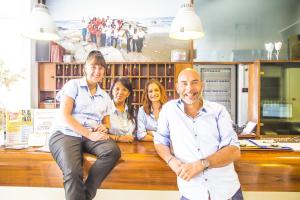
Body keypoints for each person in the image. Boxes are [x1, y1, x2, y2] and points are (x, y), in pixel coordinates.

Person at [154, 68, 243, 200]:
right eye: (184, 83)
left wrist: (201, 164)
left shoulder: (219, 111)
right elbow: (160, 141)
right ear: (177, 87)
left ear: (202, 85)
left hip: (226, 192)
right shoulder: (168, 110)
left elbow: (234, 151)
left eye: (194, 82)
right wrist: (171, 160)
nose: (189, 88)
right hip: (191, 192)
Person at [49, 50, 121, 200]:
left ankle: (86, 195)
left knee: (112, 151)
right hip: (65, 133)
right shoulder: (73, 85)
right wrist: (88, 134)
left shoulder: (105, 96)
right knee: (74, 172)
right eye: (93, 66)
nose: (97, 71)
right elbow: (65, 115)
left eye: (101, 68)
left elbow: (107, 121)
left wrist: (104, 127)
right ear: (85, 68)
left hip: (89, 135)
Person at [109, 77, 136, 142]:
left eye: (124, 90)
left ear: (128, 94)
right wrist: (119, 138)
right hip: (112, 148)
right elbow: (98, 135)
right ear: (112, 91)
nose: (120, 92)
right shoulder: (105, 109)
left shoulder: (133, 110)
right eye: (117, 89)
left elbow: (134, 134)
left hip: (131, 148)